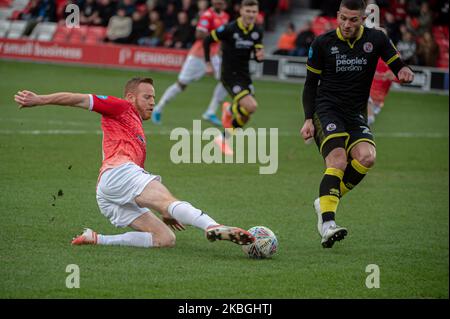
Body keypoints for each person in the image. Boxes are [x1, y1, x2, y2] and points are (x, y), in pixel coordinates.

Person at [14, 78, 254, 249]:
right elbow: (78, 99)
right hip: (119, 173)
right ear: (131, 97)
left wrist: (163, 211)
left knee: (165, 239)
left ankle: (96, 239)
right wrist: (40, 99)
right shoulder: (121, 106)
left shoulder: (135, 124)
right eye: (147, 97)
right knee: (169, 201)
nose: (152, 102)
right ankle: (212, 226)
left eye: (154, 97)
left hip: (107, 193)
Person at [300, 0, 414, 248]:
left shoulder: (377, 40)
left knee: (366, 157)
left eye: (353, 19)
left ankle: (326, 199)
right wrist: (308, 118)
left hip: (354, 113)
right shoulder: (322, 43)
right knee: (338, 160)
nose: (346, 24)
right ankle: (328, 224)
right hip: (326, 110)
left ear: (363, 19)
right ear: (338, 15)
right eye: (343, 18)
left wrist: (403, 71)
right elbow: (310, 85)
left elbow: (396, 63)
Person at [152, 0, 230, 126]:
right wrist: (216, 35)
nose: (219, 2)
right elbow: (199, 35)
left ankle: (210, 112)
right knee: (181, 84)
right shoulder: (207, 16)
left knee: (227, 80)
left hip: (214, 55)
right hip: (198, 55)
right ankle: (158, 108)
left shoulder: (225, 16)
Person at [203, 0, 264, 155]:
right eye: (248, 11)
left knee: (247, 114)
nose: (251, 15)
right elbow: (207, 40)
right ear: (241, 11)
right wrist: (208, 63)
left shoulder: (257, 31)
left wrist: (259, 56)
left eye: (254, 12)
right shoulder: (229, 29)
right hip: (229, 75)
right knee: (252, 106)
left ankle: (223, 135)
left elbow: (257, 55)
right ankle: (229, 111)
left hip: (244, 75)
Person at [367, 58, 397, 125]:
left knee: (368, 124)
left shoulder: (393, 55)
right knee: (369, 119)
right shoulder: (372, 53)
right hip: (368, 94)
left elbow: (399, 77)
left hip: (380, 99)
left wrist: (393, 76)